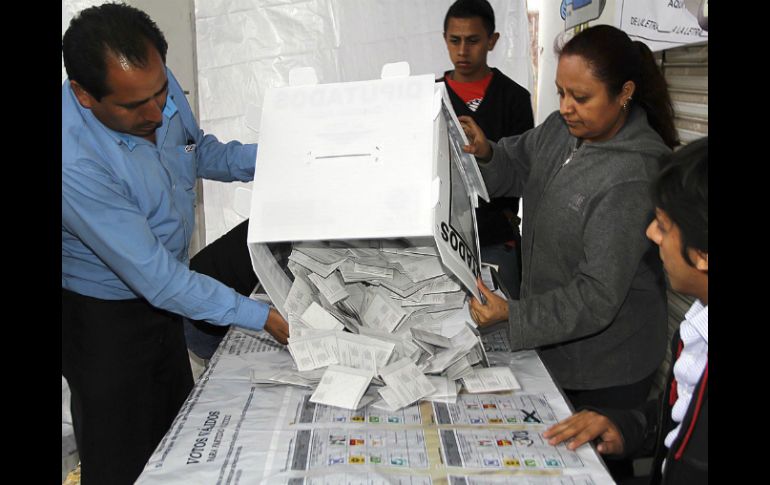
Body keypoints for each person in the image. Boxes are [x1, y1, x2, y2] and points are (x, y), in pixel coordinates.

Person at [61, 4, 288, 484]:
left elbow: (194, 149)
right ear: (84, 94)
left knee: (177, 441)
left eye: (161, 93)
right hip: (106, 322)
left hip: (168, 299)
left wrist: (285, 158)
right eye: (133, 106)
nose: (156, 113)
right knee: (122, 459)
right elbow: (159, 280)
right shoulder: (74, 160)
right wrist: (261, 316)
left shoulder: (150, 85)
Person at [463, 24, 679, 479]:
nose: (565, 107)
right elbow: (516, 161)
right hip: (557, 342)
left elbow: (596, 295)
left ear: (624, 94)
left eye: (580, 97)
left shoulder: (632, 173)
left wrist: (514, 315)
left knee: (593, 468)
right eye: (561, 92)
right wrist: (486, 153)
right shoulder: (562, 129)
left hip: (607, 367)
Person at [543, 137, 708, 484]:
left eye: (663, 226)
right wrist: (629, 428)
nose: (650, 233)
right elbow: (687, 416)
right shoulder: (698, 324)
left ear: (703, 255)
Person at [439, 0, 534, 298]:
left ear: (492, 41)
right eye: (455, 40)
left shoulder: (515, 99)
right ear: (445, 40)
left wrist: (490, 155)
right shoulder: (431, 97)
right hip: (441, 240)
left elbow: (524, 172)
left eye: (473, 41)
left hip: (497, 240)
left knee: (503, 320)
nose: (462, 51)